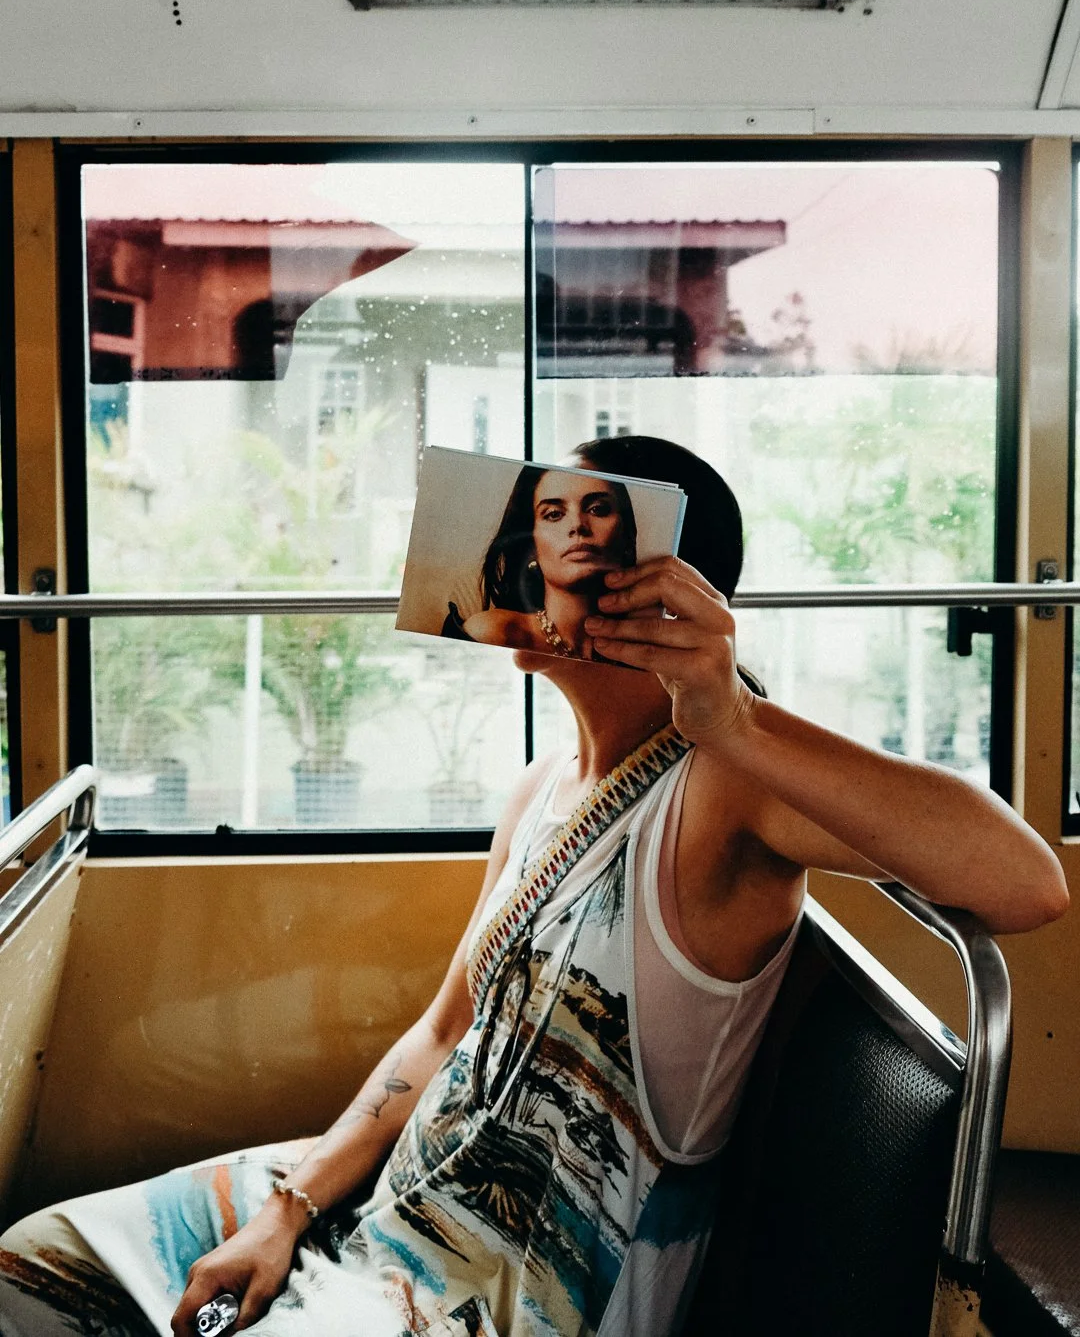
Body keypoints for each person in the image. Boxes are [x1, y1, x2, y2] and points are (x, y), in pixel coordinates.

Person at [0, 436, 1068, 1337]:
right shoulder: (542, 788)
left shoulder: (724, 795)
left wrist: (728, 710)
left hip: (539, 1280)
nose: (521, 555)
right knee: (33, 1266)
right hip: (408, 1193)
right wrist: (288, 1205)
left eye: (571, 536)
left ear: (655, 586)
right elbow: (442, 1033)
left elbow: (1023, 882)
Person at [443, 465, 638, 660]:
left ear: (627, 538)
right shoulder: (496, 634)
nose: (578, 524)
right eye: (554, 514)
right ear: (531, 546)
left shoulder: (643, 644)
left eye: (597, 509)